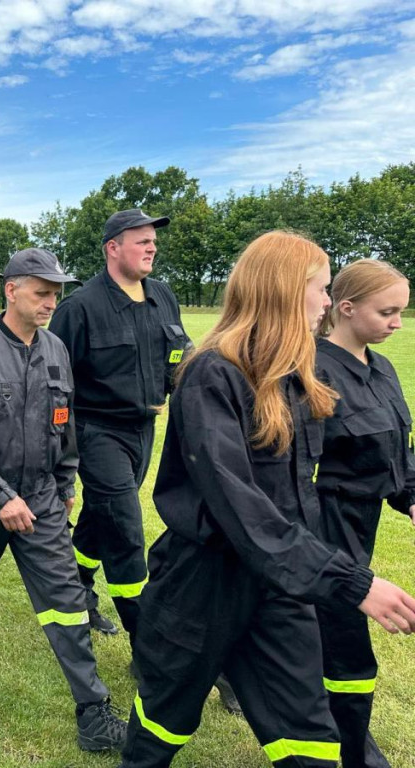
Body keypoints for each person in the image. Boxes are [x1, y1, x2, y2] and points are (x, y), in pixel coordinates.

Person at [119, 231, 415, 768]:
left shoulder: (295, 378)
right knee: (164, 723)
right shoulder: (212, 375)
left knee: (309, 737)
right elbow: (243, 511)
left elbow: (348, 465)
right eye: (322, 289)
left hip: (281, 586)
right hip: (203, 586)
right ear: (282, 291)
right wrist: (352, 581)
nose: (328, 303)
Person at [0, 248, 127, 752]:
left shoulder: (57, 350)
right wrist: (0, 496)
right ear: (12, 290)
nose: (49, 303)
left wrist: (64, 485)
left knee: (66, 601)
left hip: (40, 498)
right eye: (42, 293)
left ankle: (93, 712)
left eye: (55, 295)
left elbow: (64, 424)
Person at [50, 209, 189, 643]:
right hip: (97, 432)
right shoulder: (80, 308)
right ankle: (146, 638)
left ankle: (77, 588)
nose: (152, 247)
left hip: (144, 431)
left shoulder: (163, 296)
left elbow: (179, 356)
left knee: (102, 515)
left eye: (153, 240)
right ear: (112, 248)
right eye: (141, 240)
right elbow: (56, 386)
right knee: (126, 528)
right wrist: (62, 456)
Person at [314, 259, 415, 768]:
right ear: (346, 309)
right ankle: (355, 747)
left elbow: (396, 450)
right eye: (388, 311)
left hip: (362, 522)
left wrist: (411, 496)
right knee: (345, 638)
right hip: (320, 522)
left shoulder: (382, 367)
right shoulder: (310, 370)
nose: (398, 321)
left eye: (401, 310)